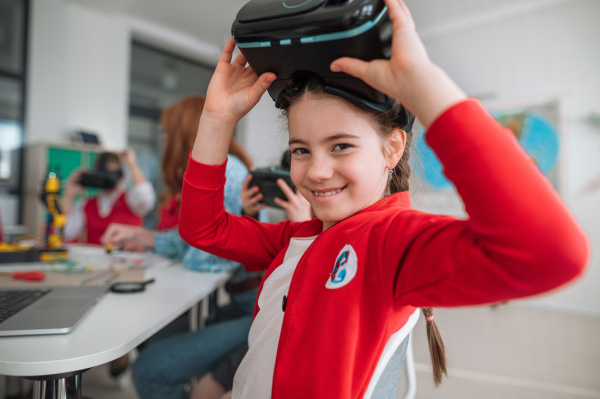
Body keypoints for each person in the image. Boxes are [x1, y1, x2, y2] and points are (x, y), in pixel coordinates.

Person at [177, 0, 589, 397]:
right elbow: (202, 228)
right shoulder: (295, 239)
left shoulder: (392, 242)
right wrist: (217, 119)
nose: (316, 170)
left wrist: (423, 85)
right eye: (301, 149)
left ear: (392, 149)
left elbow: (550, 254)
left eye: (341, 146)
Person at [101, 96, 267, 399]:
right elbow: (194, 240)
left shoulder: (227, 172)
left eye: (168, 133)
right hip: (243, 302)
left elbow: (207, 257)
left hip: (256, 311)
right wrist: (145, 236)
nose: (165, 140)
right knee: (151, 337)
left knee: (150, 367)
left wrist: (174, 242)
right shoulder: (220, 170)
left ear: (183, 133)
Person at [62, 149, 155, 244]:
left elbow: (145, 197)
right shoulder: (86, 203)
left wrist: (132, 164)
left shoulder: (131, 200)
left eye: (112, 174)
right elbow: (66, 232)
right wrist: (68, 196)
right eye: (104, 173)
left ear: (122, 176)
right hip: (93, 257)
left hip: (126, 256)